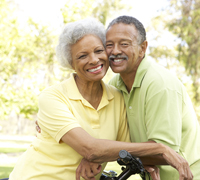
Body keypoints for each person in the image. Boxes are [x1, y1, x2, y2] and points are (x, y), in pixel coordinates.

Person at [20, 18, 192, 180]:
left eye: (99, 50)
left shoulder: (116, 96)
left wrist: (96, 155)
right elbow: (91, 148)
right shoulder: (52, 97)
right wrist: (160, 149)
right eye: (82, 56)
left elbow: (124, 149)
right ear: (71, 63)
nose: (94, 60)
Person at [105, 16, 200, 180]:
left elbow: (164, 152)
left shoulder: (159, 84)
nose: (115, 51)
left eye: (124, 44)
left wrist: (99, 153)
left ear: (143, 48)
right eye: (109, 45)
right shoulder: (115, 84)